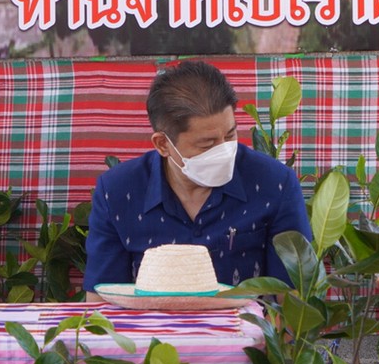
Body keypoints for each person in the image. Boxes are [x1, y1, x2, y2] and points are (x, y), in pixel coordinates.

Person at [82, 60, 310, 291]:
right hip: (148, 315)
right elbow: (102, 299)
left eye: (230, 136)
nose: (224, 152)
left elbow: (293, 299)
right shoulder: (117, 192)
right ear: (163, 144)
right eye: (207, 145)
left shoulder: (275, 184)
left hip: (246, 315)